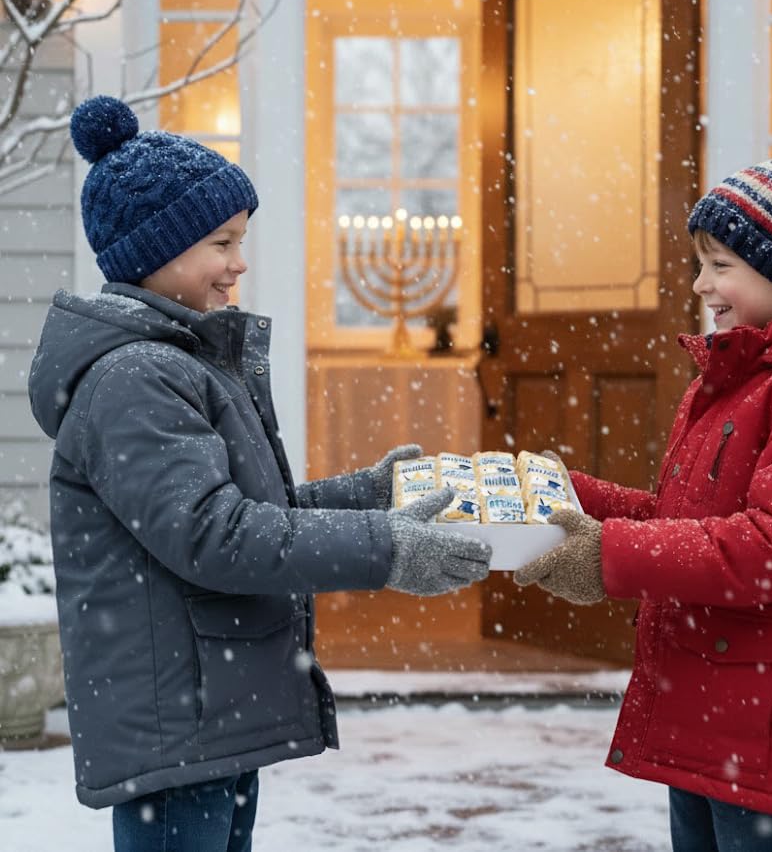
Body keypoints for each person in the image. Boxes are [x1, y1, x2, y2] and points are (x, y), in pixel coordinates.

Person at [28, 95, 491, 852]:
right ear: (156, 251)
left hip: (206, 709)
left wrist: (363, 494)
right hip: (180, 719)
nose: (239, 263)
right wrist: (386, 548)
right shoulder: (137, 379)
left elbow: (238, 508)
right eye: (222, 242)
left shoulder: (174, 363)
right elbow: (216, 535)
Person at [514, 139, 772, 851]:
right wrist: (572, 495)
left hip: (764, 728)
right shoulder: (735, 385)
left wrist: (607, 554)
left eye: (720, 266)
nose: (700, 285)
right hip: (708, 708)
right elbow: (685, 525)